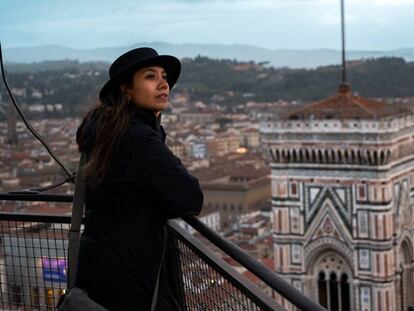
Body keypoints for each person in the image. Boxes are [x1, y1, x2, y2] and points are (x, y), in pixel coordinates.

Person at [74, 47, 204, 310]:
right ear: (126, 89)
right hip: (132, 275)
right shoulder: (136, 138)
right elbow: (190, 197)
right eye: (150, 76)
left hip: (99, 264)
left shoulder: (105, 130)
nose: (164, 83)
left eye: (164, 76)